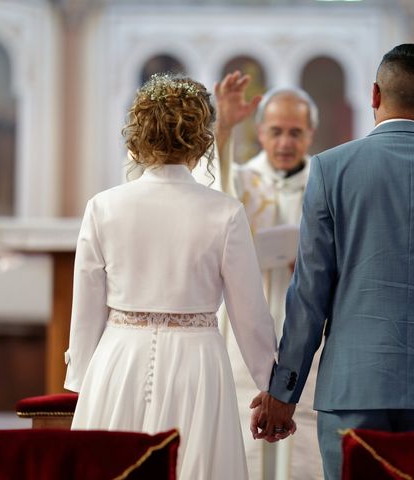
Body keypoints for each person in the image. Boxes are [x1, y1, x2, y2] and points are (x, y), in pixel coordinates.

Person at [252, 43, 414, 480]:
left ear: (373, 94)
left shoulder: (331, 169)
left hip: (353, 388)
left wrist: (283, 391)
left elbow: (310, 290)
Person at [63, 73, 277, 480]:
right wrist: (269, 385)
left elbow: (86, 309)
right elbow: (250, 315)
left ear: (139, 132)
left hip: (119, 359)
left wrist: (81, 381)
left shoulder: (103, 206)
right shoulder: (224, 211)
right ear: (202, 138)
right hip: (196, 363)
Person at [213, 72, 324, 480]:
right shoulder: (241, 178)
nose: (285, 142)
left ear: (311, 134)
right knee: (245, 433)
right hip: (251, 315)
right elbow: (212, 188)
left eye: (296, 132)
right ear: (260, 131)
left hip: (309, 324)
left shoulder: (326, 182)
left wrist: (320, 264)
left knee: (306, 433)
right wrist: (224, 126)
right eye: (275, 131)